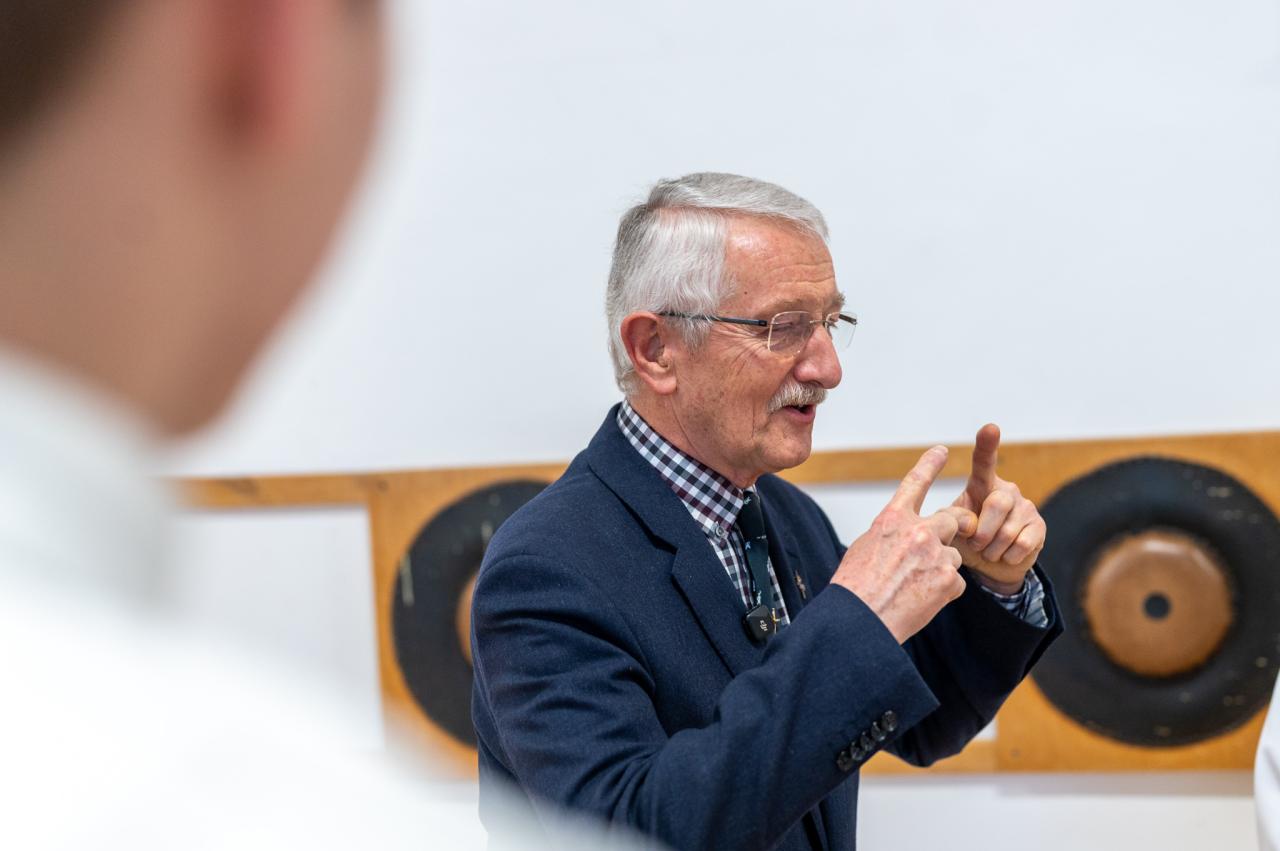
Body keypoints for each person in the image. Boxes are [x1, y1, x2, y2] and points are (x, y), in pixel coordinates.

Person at [471, 172, 1063, 851]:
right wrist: (860, 617)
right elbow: (634, 830)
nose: (828, 368)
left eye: (830, 322)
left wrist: (994, 581)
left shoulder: (786, 514)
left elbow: (924, 720)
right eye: (785, 327)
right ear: (655, 349)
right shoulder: (545, 569)